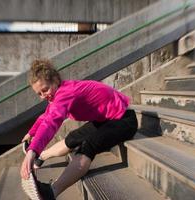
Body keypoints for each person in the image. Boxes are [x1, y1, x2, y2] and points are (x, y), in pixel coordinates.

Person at [20, 59, 138, 200]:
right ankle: (41, 158)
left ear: (55, 80)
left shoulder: (65, 93)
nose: (43, 95)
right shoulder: (58, 94)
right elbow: (45, 116)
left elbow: (51, 122)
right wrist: (30, 134)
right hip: (105, 119)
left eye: (45, 89)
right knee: (73, 137)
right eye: (39, 94)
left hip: (124, 120)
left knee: (88, 145)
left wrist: (32, 151)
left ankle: (51, 191)